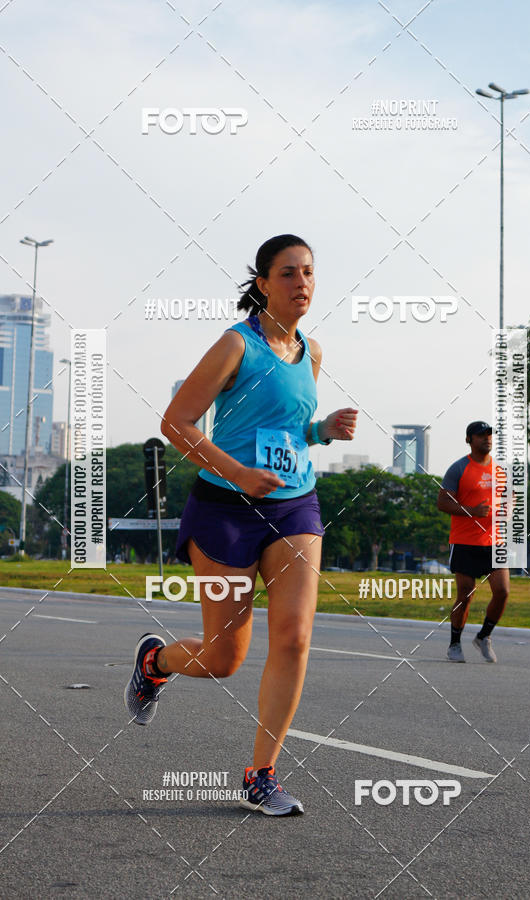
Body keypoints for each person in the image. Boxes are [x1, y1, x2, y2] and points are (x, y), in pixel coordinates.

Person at [124, 234, 358, 816]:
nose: (301, 282)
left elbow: (286, 430)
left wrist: (321, 430)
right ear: (261, 283)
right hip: (225, 508)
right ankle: (155, 664)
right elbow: (177, 422)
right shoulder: (236, 344)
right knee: (224, 659)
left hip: (293, 505)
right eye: (288, 273)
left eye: (308, 271)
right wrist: (238, 472)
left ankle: (261, 774)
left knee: (294, 638)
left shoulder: (313, 351)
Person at [436, 421, 510, 663]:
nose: (487, 439)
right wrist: (471, 511)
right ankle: (454, 643)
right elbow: (443, 503)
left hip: (495, 541)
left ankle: (483, 636)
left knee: (502, 591)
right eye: (480, 435)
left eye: (489, 435)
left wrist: (508, 511)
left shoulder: (501, 471)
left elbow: (512, 499)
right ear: (469, 440)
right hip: (465, 541)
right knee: (466, 594)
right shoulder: (458, 469)